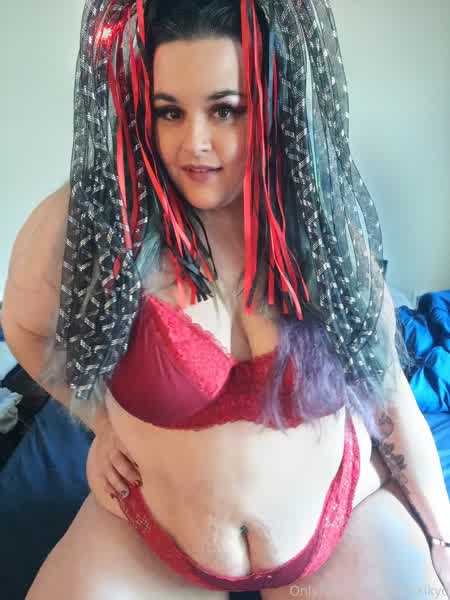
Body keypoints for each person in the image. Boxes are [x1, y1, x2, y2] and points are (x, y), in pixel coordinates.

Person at [3, 0, 450, 598]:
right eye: (170, 112)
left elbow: (392, 395)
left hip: (340, 525)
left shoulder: (318, 220)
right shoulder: (98, 219)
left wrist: (442, 540)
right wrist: (99, 423)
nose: (195, 143)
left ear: (266, 105)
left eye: (225, 109)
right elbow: (23, 326)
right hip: (150, 541)